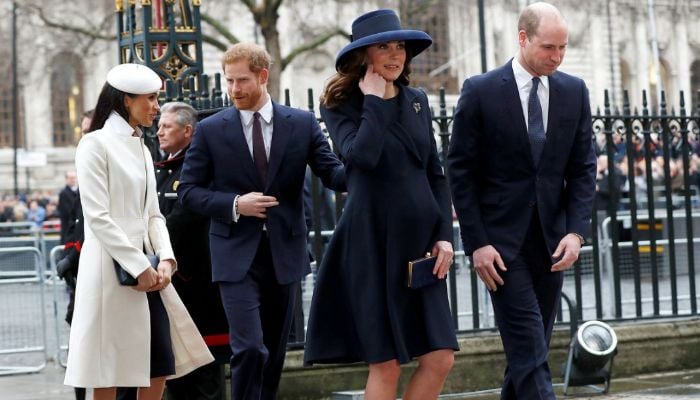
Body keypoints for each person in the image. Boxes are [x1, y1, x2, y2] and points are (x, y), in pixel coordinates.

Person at [304, 9, 458, 400]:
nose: (395, 55)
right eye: (384, 47)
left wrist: (444, 235)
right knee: (386, 364)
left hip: (421, 247)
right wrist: (374, 101)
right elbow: (361, 157)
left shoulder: (417, 101)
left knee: (441, 358)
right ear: (364, 55)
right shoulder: (340, 104)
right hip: (372, 244)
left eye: (400, 46)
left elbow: (435, 173)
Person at [178, 43, 346, 400]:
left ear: (263, 76)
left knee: (273, 353)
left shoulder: (301, 124)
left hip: (284, 253)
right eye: (229, 80)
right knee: (250, 348)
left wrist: (369, 155)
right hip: (234, 254)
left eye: (241, 80)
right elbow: (188, 192)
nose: (233, 89)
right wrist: (235, 204)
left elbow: (334, 174)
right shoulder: (210, 129)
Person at [447, 2, 596, 399]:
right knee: (530, 350)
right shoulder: (480, 91)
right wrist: (477, 243)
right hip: (500, 247)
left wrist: (576, 233)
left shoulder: (574, 91)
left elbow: (583, 169)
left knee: (528, 353)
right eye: (549, 47)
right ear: (523, 38)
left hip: (552, 244)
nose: (557, 57)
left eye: (563, 47)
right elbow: (460, 172)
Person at [63, 63, 213, 400]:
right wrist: (139, 266)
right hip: (109, 272)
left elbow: (153, 215)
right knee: (107, 371)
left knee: (159, 364)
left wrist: (167, 260)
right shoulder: (94, 144)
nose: (157, 107)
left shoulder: (142, 147)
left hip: (148, 272)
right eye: (151, 98)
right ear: (126, 100)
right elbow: (98, 217)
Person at [154, 101, 229, 399]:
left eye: (167, 126)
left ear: (188, 131)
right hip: (172, 280)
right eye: (159, 125)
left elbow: (182, 218)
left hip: (195, 281)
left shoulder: (197, 167)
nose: (159, 132)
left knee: (204, 370)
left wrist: (156, 246)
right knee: (177, 368)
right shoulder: (164, 168)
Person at [58, 170, 79, 243]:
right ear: (66, 179)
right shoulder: (63, 193)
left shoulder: (79, 191)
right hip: (69, 228)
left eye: (74, 178)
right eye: (70, 178)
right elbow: (67, 212)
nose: (73, 180)